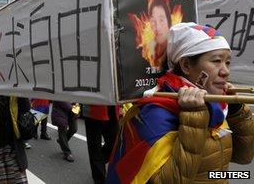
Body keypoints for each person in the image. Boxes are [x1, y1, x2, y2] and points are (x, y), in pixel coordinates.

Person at [106, 22, 254, 183]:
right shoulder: (155, 113)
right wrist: (194, 118)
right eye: (216, 61)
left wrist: (236, 110)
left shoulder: (218, 106)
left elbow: (244, 157)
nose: (226, 71)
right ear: (186, 65)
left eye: (227, 62)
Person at [83, 105, 120, 184]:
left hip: (112, 110)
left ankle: (98, 165)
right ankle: (99, 179)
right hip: (93, 111)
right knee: (95, 148)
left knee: (114, 145)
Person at [148, 0, 172, 68]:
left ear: (169, 22)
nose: (157, 27)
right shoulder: (149, 48)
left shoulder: (176, 48)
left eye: (161, 20)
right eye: (153, 21)